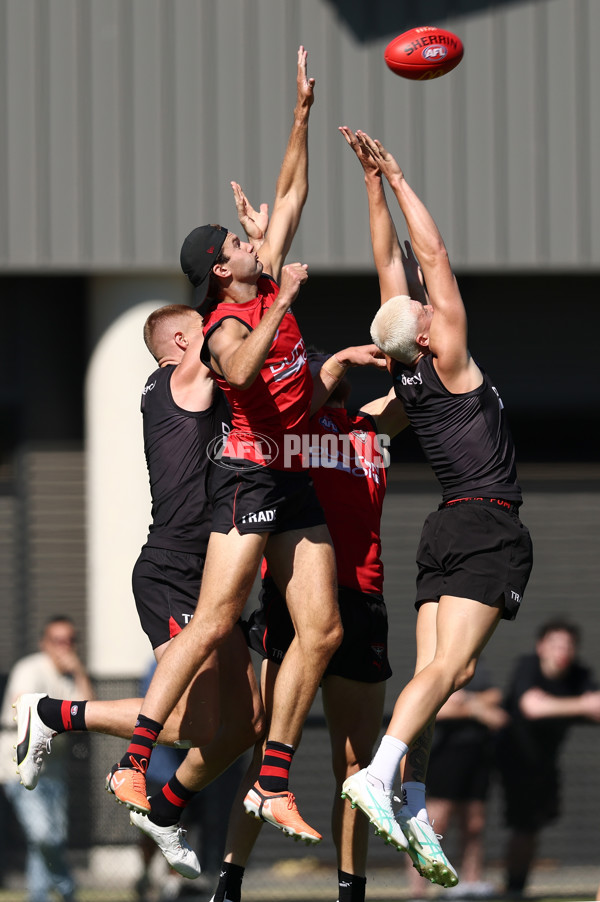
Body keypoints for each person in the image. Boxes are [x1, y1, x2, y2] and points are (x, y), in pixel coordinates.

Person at [107, 45, 386, 846]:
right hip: (247, 474)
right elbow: (239, 364)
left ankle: (270, 783)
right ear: (217, 269)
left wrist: (299, 115)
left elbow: (290, 189)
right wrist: (284, 298)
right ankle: (135, 759)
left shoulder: (256, 279)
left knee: (323, 630)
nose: (248, 238)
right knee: (218, 618)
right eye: (234, 242)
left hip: (289, 472)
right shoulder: (232, 318)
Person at [337, 128, 534, 889]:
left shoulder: (405, 374)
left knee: (444, 672)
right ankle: (381, 776)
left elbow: (391, 266)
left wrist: (368, 188)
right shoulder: (444, 358)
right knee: (449, 668)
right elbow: (434, 258)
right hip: (486, 521)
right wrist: (399, 177)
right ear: (424, 333)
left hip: (445, 525)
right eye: (422, 308)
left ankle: (411, 798)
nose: (426, 301)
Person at [13, 300, 265, 882]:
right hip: (177, 569)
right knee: (195, 726)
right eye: (212, 330)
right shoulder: (182, 376)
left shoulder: (194, 381)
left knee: (245, 724)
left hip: (210, 571)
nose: (225, 335)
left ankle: (165, 807)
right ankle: (51, 713)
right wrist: (260, 274)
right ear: (182, 342)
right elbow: (238, 317)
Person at [209, 348, 409, 902]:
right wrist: (337, 362)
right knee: (269, 748)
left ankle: (351, 892)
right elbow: (298, 401)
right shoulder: (300, 423)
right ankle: (228, 885)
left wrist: (409, 350)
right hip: (298, 594)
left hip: (364, 598)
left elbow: (419, 393)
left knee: (358, 766)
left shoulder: (368, 430)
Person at [495, 618, 600, 898]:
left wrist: (558, 705)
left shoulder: (578, 674)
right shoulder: (528, 666)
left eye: (568, 645)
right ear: (541, 646)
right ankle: (510, 886)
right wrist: (580, 704)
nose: (562, 651)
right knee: (518, 824)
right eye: (555, 644)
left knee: (534, 825)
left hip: (545, 761)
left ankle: (517, 885)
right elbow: (532, 706)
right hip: (511, 757)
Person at [0, 616, 94, 902]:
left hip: (54, 770)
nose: (64, 647)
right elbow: (25, 711)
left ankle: (38, 896)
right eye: (57, 641)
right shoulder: (30, 668)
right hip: (19, 768)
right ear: (45, 644)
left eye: (70, 641)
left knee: (46, 841)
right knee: (44, 837)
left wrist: (79, 671)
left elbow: (93, 714)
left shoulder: (70, 676)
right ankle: (67, 889)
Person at [406, 661, 507, 900]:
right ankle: (418, 890)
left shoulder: (477, 667)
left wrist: (467, 702)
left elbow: (496, 698)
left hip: (477, 757)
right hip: (442, 756)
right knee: (433, 824)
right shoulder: (434, 665)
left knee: (474, 824)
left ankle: (471, 883)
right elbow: (437, 709)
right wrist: (478, 709)